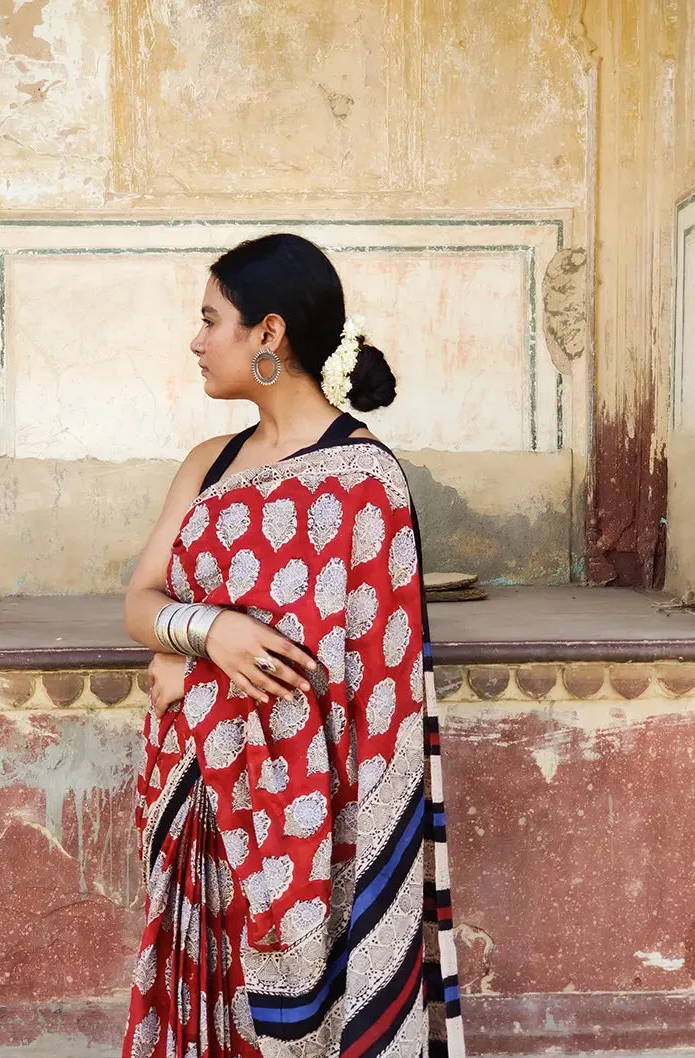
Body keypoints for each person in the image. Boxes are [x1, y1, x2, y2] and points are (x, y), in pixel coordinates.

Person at [122, 233, 464, 1058]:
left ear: (267, 333)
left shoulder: (366, 481)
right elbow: (139, 603)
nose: (197, 341)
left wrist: (186, 673)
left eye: (212, 321)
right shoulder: (209, 464)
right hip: (205, 794)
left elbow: (355, 672)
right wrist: (212, 634)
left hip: (320, 810)